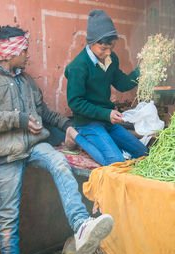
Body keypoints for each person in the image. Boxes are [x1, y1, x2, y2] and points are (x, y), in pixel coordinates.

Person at [0, 25, 113, 254]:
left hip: (34, 146)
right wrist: (20, 119)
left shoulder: (26, 81)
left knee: (60, 163)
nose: (27, 54)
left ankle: (80, 225)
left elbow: (44, 112)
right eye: (24, 50)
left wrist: (67, 125)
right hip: (5, 153)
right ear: (9, 52)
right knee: (8, 216)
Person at [64, 9, 149, 166]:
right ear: (91, 43)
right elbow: (75, 102)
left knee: (143, 153)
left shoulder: (111, 58)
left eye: (111, 47)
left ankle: (102, 140)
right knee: (115, 161)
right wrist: (106, 113)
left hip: (107, 121)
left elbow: (122, 83)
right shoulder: (78, 66)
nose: (108, 52)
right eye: (103, 48)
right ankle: (75, 136)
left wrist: (141, 71)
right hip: (88, 123)